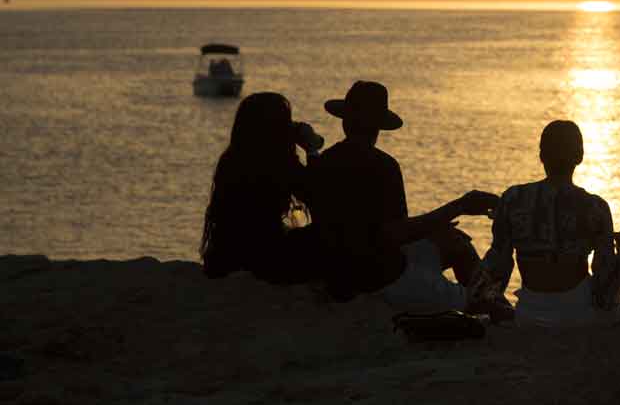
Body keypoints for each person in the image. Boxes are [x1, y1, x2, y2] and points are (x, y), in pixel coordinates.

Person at [305, 80, 498, 306]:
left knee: (451, 239)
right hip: (378, 275)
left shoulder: (325, 161)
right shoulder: (383, 165)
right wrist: (459, 207)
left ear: (345, 121)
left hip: (338, 268)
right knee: (459, 251)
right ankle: (492, 307)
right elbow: (397, 234)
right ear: (378, 126)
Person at [473, 120, 620, 327]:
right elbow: (604, 293)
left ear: (541, 156)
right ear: (579, 156)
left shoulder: (512, 199)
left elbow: (496, 272)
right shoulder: (594, 208)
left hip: (528, 313)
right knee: (617, 305)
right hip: (579, 315)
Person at [200, 92, 327, 284]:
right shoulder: (278, 162)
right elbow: (319, 195)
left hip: (226, 254)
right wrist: (311, 150)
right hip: (265, 256)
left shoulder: (230, 159)